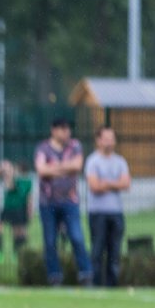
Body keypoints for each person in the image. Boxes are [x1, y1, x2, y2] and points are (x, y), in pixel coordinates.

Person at [35, 117, 92, 285]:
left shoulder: (75, 146)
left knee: (77, 237)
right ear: (54, 130)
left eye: (68, 129)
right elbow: (41, 170)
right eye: (63, 129)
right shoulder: (43, 148)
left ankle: (86, 274)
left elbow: (77, 166)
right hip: (48, 203)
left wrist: (54, 168)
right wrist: (65, 168)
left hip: (70, 201)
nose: (67, 132)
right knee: (50, 241)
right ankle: (54, 277)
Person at [84, 127, 132, 287]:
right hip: (98, 213)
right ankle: (96, 284)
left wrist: (106, 183)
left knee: (115, 252)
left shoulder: (120, 161)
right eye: (106, 138)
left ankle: (112, 285)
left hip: (116, 212)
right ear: (98, 140)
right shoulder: (93, 161)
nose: (110, 142)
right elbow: (95, 186)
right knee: (97, 251)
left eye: (112, 138)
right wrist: (115, 184)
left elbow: (126, 183)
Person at [0, 160, 31, 262]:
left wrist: (8, 172)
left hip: (17, 209)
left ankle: (16, 254)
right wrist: (3, 168)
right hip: (6, 208)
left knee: (17, 232)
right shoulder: (17, 177)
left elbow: (10, 187)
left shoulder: (23, 180)